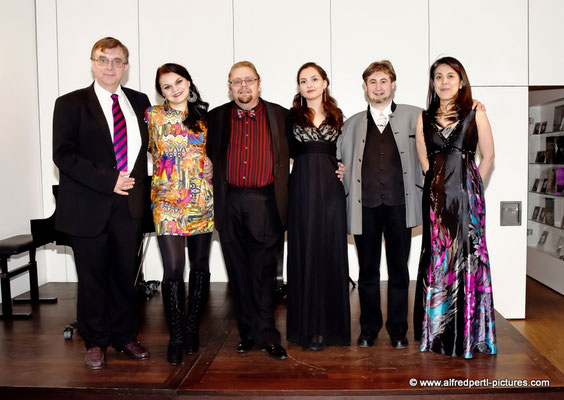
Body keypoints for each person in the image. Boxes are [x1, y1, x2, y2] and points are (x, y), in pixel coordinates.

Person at [53, 37, 151, 369]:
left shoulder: (140, 102)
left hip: (129, 209)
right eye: (103, 60)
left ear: (126, 66)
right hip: (87, 207)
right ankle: (96, 342)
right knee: (92, 278)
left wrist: (198, 160)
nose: (110, 67)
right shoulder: (69, 104)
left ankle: (125, 336)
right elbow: (63, 155)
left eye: (117, 61)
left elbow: (158, 145)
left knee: (125, 277)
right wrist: (109, 179)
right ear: (93, 63)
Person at [337, 60, 424, 350]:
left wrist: (473, 103)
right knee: (367, 272)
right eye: (372, 82)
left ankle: (399, 331)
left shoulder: (416, 117)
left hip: (401, 207)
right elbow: (336, 159)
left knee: (399, 271)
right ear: (365, 87)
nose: (378, 87)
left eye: (383, 81)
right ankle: (369, 330)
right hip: (366, 208)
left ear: (393, 84)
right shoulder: (350, 124)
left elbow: (446, 122)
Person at [206, 61, 290, 360]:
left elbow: (306, 150)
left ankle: (268, 335)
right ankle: (248, 334)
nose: (243, 86)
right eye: (236, 81)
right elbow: (198, 153)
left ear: (258, 83)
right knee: (238, 272)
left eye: (248, 80)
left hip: (265, 202)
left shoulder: (279, 115)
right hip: (229, 203)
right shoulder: (215, 117)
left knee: (265, 273)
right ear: (229, 86)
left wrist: (337, 164)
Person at [415, 56, 496, 358]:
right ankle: (437, 334)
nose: (445, 81)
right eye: (438, 77)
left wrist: (473, 188)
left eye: (451, 76)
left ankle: (470, 336)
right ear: (433, 83)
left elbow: (488, 157)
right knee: (439, 260)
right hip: (436, 199)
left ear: (461, 81)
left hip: (466, 199)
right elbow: (425, 162)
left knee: (467, 259)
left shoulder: (476, 113)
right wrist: (439, 186)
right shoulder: (422, 118)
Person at [146, 63, 214, 365]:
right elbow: (143, 151)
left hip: (201, 200)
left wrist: (212, 162)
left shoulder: (204, 117)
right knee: (173, 270)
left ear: (188, 82)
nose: (174, 89)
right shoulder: (152, 117)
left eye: (178, 82)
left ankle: (191, 330)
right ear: (161, 92)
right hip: (166, 202)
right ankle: (175, 336)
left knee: (200, 266)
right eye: (166, 86)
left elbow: (217, 152)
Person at [286, 62, 351, 351]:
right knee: (305, 253)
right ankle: (308, 329)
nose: (309, 84)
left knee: (330, 253)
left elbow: (348, 155)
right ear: (299, 86)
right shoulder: (290, 118)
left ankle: (334, 329)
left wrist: (345, 169)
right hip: (300, 190)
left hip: (330, 192)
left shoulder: (339, 117)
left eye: (314, 79)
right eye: (303, 80)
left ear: (325, 82)